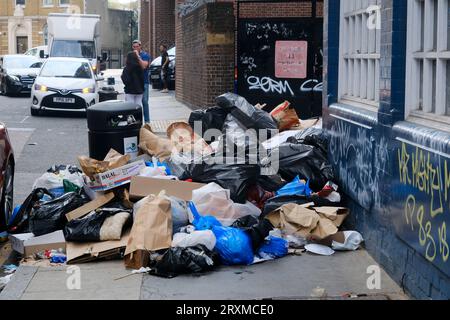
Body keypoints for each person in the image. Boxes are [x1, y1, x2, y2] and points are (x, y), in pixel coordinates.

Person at [132, 40, 151, 122]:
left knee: (145, 102)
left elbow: (144, 66)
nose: (135, 48)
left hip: (144, 82)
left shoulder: (145, 55)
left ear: (140, 46)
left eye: (137, 46)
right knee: (136, 104)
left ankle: (147, 122)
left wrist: (137, 56)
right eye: (134, 47)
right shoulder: (131, 55)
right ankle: (138, 122)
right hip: (135, 83)